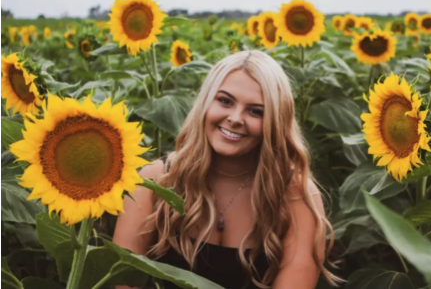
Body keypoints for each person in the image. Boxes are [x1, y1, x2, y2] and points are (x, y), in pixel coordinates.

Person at [113, 50, 340, 289]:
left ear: (275, 121)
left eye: (255, 111)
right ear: (205, 103)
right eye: (225, 101)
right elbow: (124, 279)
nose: (235, 118)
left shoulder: (297, 196)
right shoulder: (155, 181)